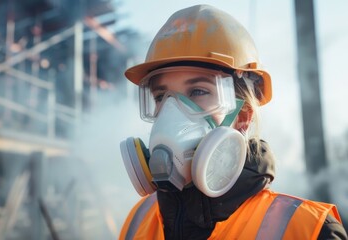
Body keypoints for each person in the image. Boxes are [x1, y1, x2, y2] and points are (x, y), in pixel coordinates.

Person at [118, 4, 347, 240]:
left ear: (244, 115)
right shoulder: (138, 221)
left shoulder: (308, 230)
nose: (171, 114)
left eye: (198, 91)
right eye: (159, 97)